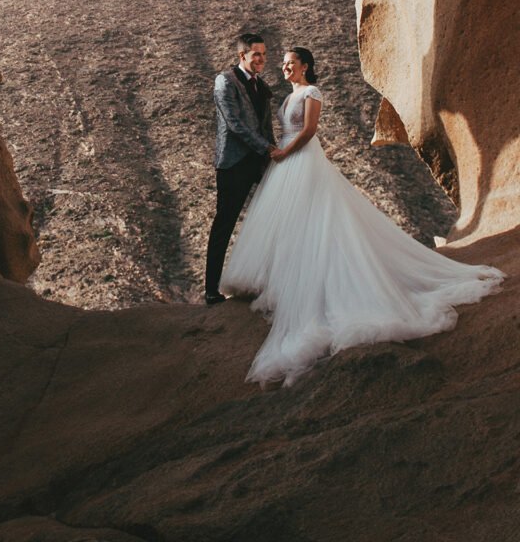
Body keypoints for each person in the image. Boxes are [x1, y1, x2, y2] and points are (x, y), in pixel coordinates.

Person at [220, 47, 505, 386]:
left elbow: (309, 130)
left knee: (317, 218)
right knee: (291, 222)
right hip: (284, 164)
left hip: (302, 159)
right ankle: (280, 279)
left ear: (305, 66)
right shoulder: (287, 96)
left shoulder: (312, 92)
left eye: (290, 62)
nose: (285, 66)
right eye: (283, 62)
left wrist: (284, 152)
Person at [204, 33, 275, 305]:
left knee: (270, 221)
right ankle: (211, 289)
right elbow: (234, 122)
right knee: (224, 224)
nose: (261, 59)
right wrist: (266, 148)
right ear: (242, 55)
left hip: (261, 163)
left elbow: (265, 125)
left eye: (264, 54)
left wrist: (273, 152)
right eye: (256, 54)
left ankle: (264, 281)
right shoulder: (225, 81)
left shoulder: (261, 85)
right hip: (233, 164)